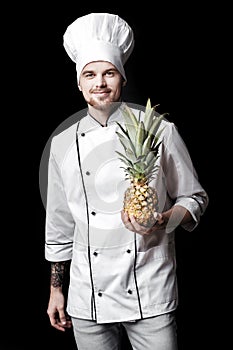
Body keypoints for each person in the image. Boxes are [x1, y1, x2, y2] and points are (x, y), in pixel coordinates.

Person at [45, 13, 209, 350]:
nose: (99, 83)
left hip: (149, 288)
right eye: (89, 75)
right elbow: (60, 225)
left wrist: (163, 220)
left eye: (109, 73)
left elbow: (194, 198)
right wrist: (56, 289)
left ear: (122, 77)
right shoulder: (62, 145)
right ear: (79, 83)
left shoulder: (160, 131)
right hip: (87, 295)